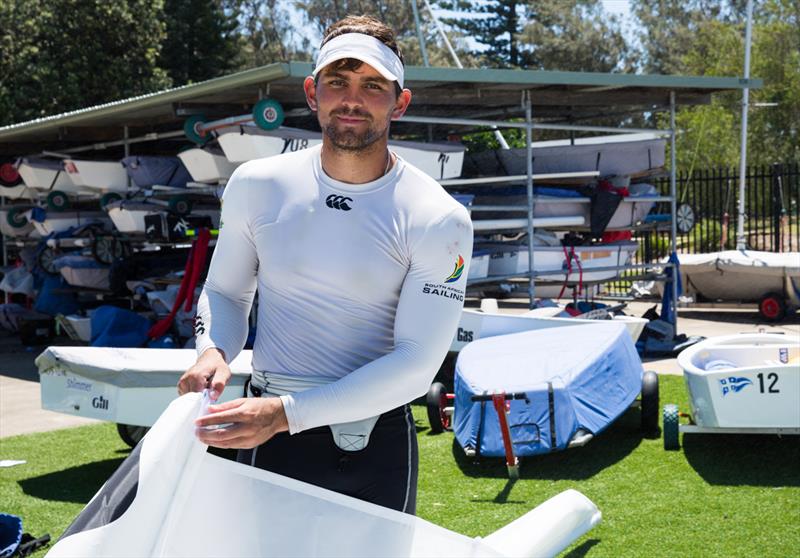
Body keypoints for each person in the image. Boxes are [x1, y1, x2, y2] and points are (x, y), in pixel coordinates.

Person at [178, 14, 472, 514]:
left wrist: (285, 415)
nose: (352, 99)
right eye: (338, 81)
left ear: (400, 102)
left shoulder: (439, 218)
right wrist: (213, 351)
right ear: (314, 93)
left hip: (373, 442)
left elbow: (416, 365)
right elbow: (227, 293)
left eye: (372, 85)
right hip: (262, 429)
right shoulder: (256, 185)